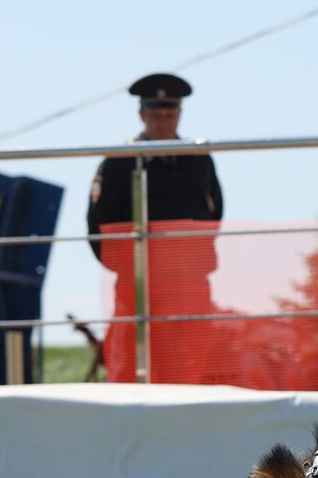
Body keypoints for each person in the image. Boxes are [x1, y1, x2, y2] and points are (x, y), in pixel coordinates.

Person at [86, 73, 223, 382]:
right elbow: (98, 223)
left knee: (192, 367)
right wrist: (127, 267)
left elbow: (214, 216)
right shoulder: (119, 161)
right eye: (155, 115)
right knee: (131, 367)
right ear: (142, 115)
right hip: (137, 283)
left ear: (179, 115)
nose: (163, 122)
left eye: (170, 114)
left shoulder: (199, 159)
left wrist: (193, 260)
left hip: (189, 284)